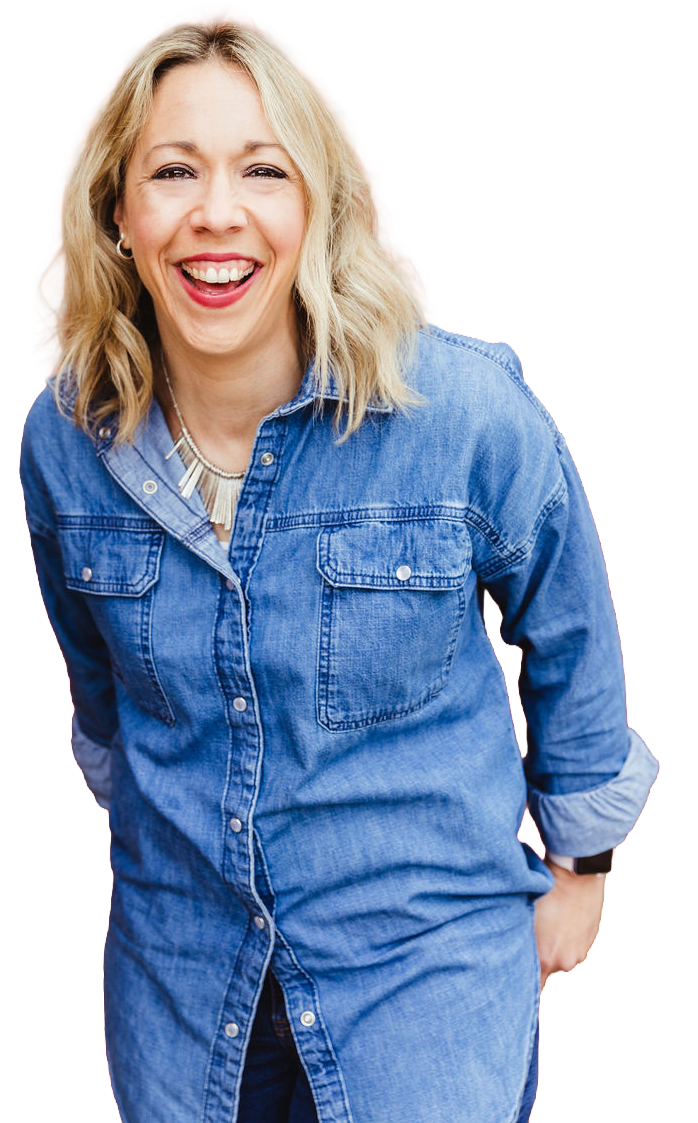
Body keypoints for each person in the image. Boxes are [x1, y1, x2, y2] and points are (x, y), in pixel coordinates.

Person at [20, 11, 659, 1123]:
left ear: (315, 207)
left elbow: (568, 617)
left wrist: (583, 868)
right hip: (179, 976)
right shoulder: (65, 435)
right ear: (120, 212)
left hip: (423, 969)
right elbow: (97, 679)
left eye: (261, 170)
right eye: (173, 170)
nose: (216, 213)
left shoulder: (459, 410)